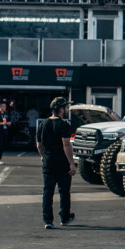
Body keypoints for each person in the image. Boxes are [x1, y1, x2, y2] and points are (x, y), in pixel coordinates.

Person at [36, 97, 76, 229]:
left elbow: (39, 145)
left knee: (48, 192)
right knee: (64, 191)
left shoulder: (43, 124)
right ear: (60, 109)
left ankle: (48, 220)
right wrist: (72, 163)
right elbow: (66, 145)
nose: (67, 109)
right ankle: (64, 218)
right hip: (62, 164)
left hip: (48, 164)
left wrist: (42, 156)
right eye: (65, 107)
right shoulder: (64, 125)